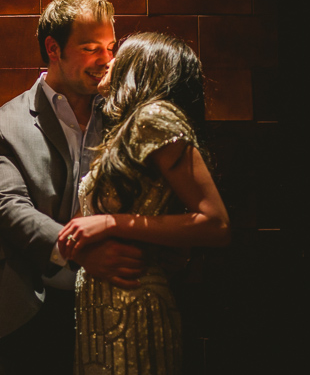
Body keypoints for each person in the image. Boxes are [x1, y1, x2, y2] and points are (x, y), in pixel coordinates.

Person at [0, 0, 148, 375]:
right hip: (33, 313)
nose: (107, 60)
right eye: (91, 48)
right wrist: (81, 253)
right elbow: (8, 209)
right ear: (54, 48)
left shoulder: (128, 115)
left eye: (110, 46)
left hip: (118, 309)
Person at [58, 31, 230, 374]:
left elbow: (217, 224)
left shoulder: (153, 117)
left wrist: (111, 223)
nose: (108, 60)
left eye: (118, 52)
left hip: (131, 302)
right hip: (102, 306)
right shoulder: (126, 128)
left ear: (141, 66)